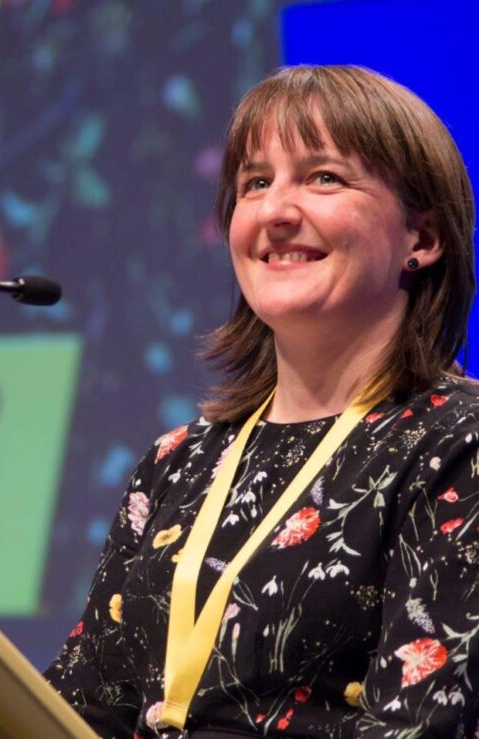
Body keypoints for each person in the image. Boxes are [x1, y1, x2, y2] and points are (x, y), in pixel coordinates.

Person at [45, 65, 479, 738]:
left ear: (421, 239)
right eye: (255, 183)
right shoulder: (177, 463)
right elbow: (75, 707)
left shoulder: (459, 444)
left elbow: (422, 725)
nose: (276, 211)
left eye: (323, 177)